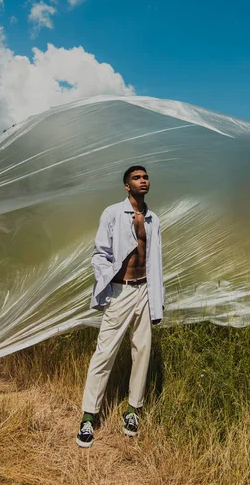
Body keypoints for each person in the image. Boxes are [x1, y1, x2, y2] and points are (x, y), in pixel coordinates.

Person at [76, 165, 164, 448]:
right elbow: (99, 253)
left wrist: (156, 301)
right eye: (137, 178)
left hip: (145, 291)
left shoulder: (154, 220)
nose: (143, 181)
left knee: (142, 352)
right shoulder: (112, 213)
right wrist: (108, 281)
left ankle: (132, 411)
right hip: (120, 291)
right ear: (127, 185)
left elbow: (156, 263)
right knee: (105, 352)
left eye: (145, 177)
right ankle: (89, 416)